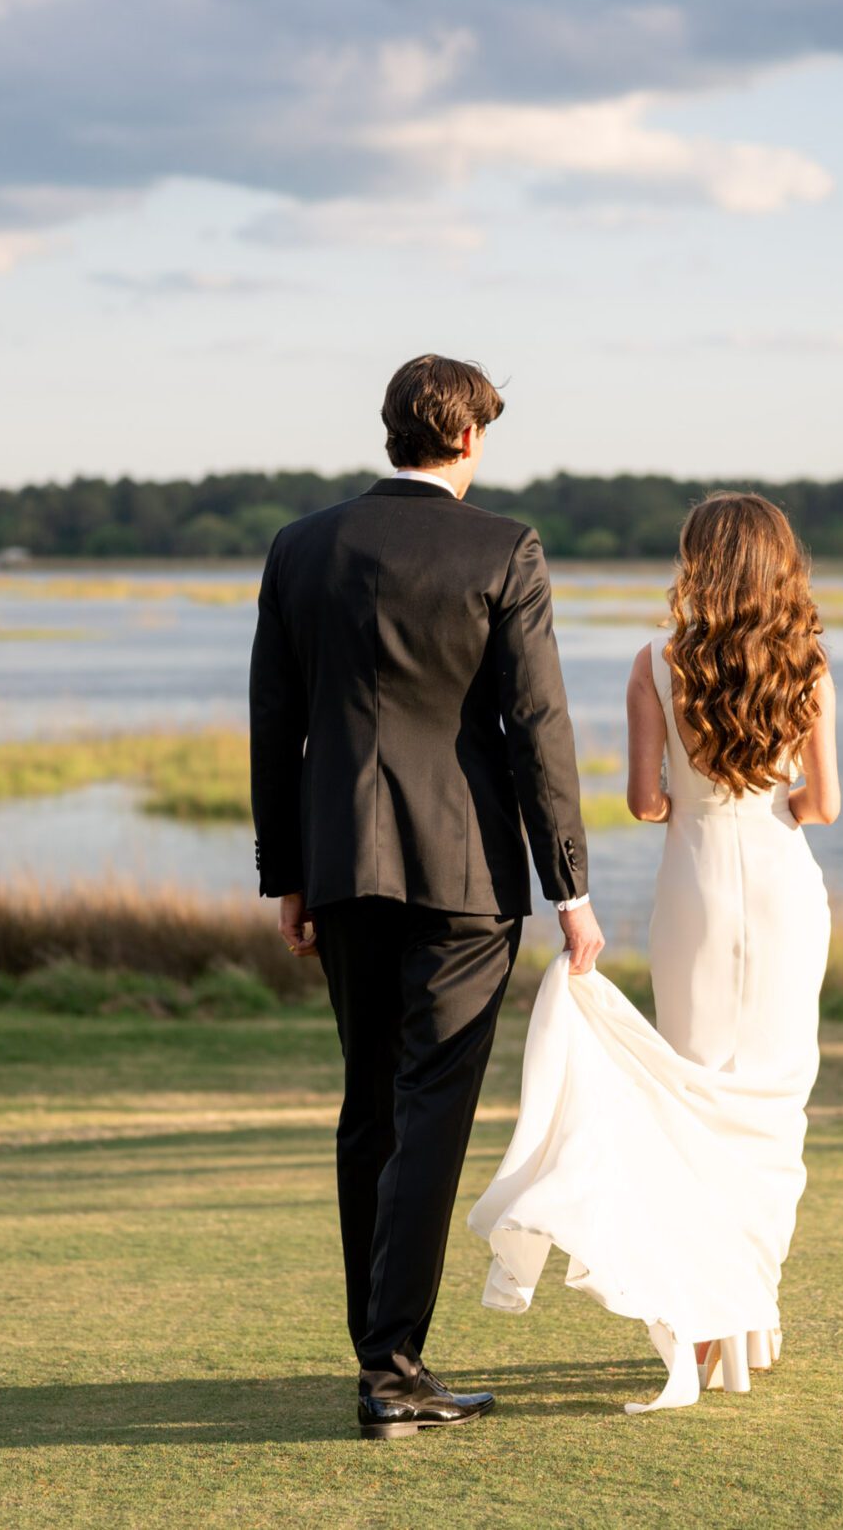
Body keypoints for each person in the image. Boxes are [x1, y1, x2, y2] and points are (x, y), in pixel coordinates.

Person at [248, 353, 606, 1441]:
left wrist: (286, 873)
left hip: (343, 869)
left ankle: (382, 1356)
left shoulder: (301, 545)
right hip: (466, 877)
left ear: (393, 429)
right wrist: (571, 887)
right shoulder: (505, 547)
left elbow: (274, 721)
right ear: (469, 437)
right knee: (429, 1114)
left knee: (369, 1107)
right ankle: (393, 1370)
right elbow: (537, 725)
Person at [468, 490, 840, 1413]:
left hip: (695, 892)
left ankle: (716, 1322)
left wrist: (697, 802)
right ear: (781, 565)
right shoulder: (808, 660)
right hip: (785, 890)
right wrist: (769, 800)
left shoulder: (657, 662)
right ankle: (749, 1317)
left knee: (695, 1100)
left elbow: (645, 802)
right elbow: (823, 804)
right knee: (773, 1106)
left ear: (697, 562)